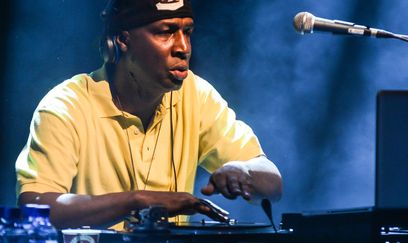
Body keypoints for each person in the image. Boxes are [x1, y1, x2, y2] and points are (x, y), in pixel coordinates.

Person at [15, 0, 282, 230]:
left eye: (187, 32)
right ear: (120, 40)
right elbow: (35, 208)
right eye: (166, 32)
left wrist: (243, 170)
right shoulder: (66, 106)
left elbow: (272, 182)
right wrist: (138, 201)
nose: (183, 47)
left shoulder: (196, 96)